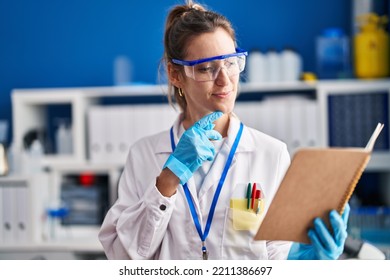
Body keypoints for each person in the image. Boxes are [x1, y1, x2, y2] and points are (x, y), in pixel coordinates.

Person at [98, 0, 349, 260]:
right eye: (207, 68)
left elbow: (276, 255)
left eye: (230, 63)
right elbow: (122, 258)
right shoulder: (144, 155)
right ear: (175, 74)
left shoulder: (271, 154)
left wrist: (309, 261)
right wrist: (168, 180)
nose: (225, 80)